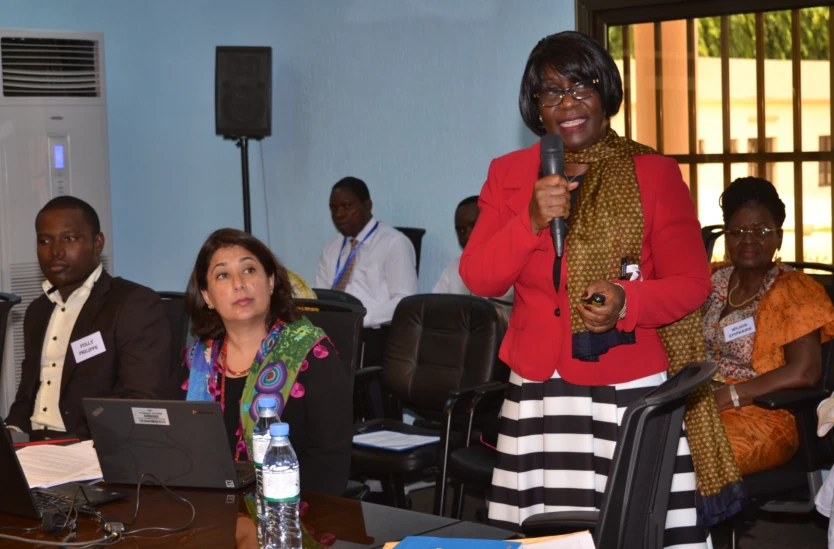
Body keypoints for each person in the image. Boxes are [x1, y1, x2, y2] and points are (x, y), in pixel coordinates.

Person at [459, 31, 743, 541]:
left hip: (630, 387)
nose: (567, 103)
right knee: (549, 534)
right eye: (551, 91)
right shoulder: (509, 175)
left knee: (633, 528)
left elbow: (692, 283)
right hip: (540, 389)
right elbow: (480, 277)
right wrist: (529, 219)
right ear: (535, 105)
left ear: (605, 92)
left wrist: (627, 299)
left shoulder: (654, 173)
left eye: (581, 85)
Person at [183, 228, 352, 496]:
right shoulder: (196, 363)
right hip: (210, 514)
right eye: (223, 275)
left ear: (271, 282)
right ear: (207, 296)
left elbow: (330, 464)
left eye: (249, 270)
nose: (239, 284)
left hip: (290, 513)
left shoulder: (311, 354)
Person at [6, 196, 173, 440]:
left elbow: (142, 401)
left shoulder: (132, 303)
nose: (56, 251)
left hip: (92, 447)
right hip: (33, 448)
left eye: (69, 239)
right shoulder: (37, 311)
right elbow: (26, 396)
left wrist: (73, 444)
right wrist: (11, 433)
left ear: (97, 243)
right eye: (45, 241)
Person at [702, 177, 834, 475]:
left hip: (763, 416)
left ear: (779, 238)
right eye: (737, 231)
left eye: (761, 231)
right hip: (699, 406)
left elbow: (806, 371)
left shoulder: (795, 290)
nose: (748, 240)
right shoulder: (709, 280)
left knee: (686, 457)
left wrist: (727, 396)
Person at [314, 176, 418, 328]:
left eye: (346, 206)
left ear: (367, 205)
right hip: (333, 328)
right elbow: (319, 295)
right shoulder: (331, 247)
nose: (339, 214)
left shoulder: (394, 243)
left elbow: (405, 301)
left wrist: (360, 319)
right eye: (333, 208)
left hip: (374, 332)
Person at [433, 196, 513, 304]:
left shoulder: (516, 268)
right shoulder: (453, 268)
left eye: (474, 225)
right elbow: (434, 312)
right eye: (461, 230)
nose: (468, 235)